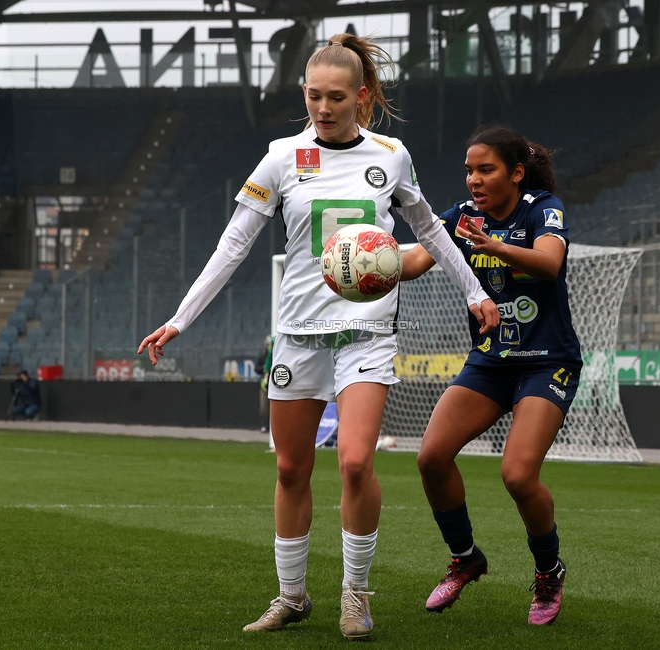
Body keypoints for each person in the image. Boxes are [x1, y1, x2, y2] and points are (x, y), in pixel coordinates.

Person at [138, 34, 498, 640]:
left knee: (356, 461)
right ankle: (292, 596)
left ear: (361, 96)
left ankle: (355, 595)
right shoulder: (281, 157)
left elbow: (431, 232)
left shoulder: (392, 155)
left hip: (367, 331)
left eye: (336, 97)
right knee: (290, 470)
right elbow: (233, 246)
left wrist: (475, 292)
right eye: (313, 96)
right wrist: (181, 317)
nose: (323, 108)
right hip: (299, 334)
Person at [400, 126, 581, 626]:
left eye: (486, 170)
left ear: (516, 173)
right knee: (432, 458)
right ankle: (466, 558)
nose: (473, 179)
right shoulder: (461, 216)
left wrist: (493, 247)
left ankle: (548, 572)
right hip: (490, 361)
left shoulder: (542, 207)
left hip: (548, 361)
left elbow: (549, 262)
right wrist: (363, 258)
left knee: (518, 475)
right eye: (469, 170)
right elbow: (416, 259)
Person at [257, 334, 273, 433]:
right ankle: (265, 425)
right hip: (265, 385)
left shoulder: (279, 356)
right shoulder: (263, 357)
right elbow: (257, 368)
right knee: (264, 408)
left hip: (276, 384)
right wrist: (264, 368)